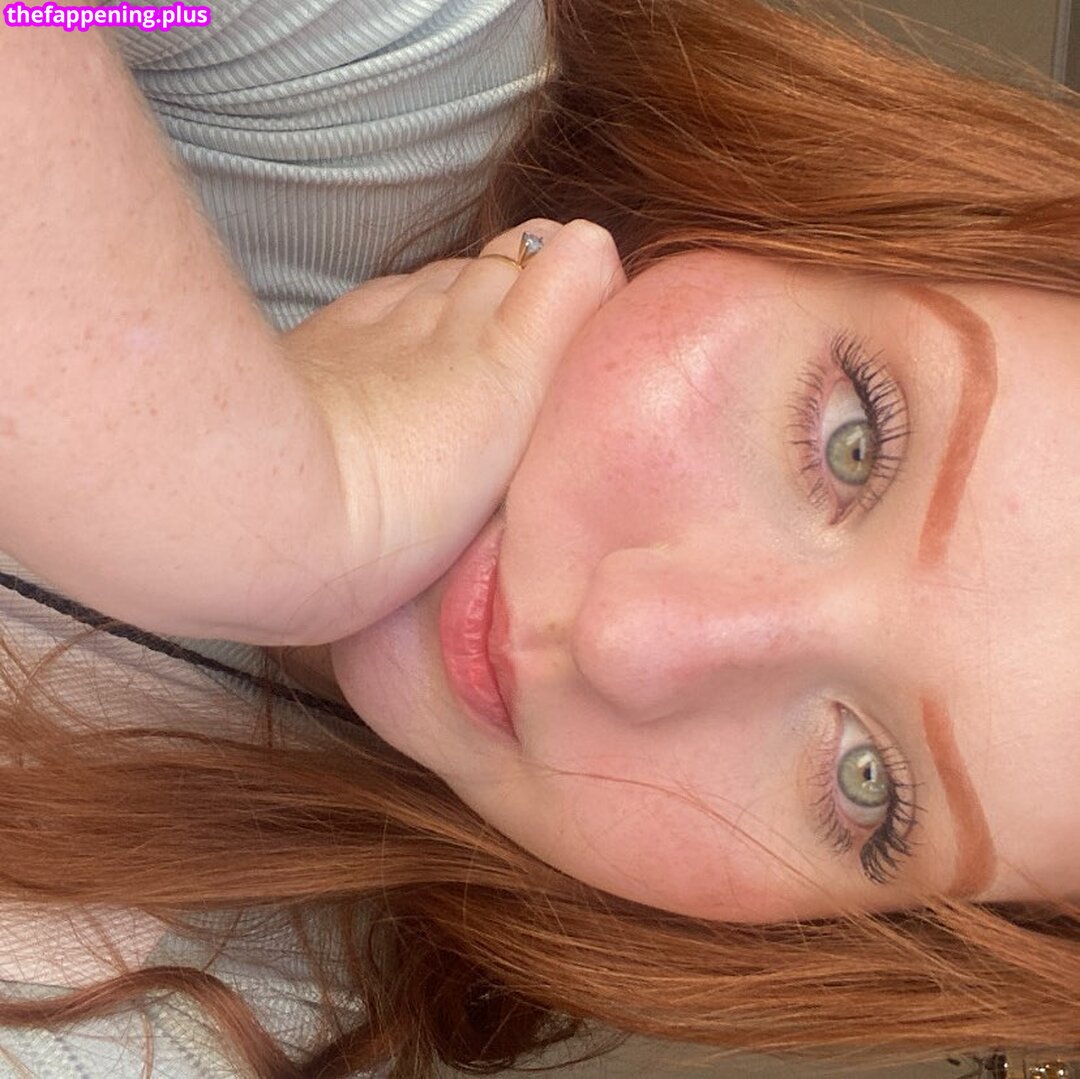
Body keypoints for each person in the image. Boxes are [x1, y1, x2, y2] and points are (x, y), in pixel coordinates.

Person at [0, 0, 1077, 1077]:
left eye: (865, 781)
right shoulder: (402, 44)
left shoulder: (165, 1039)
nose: (630, 639)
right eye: (854, 442)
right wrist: (247, 487)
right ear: (820, 212)